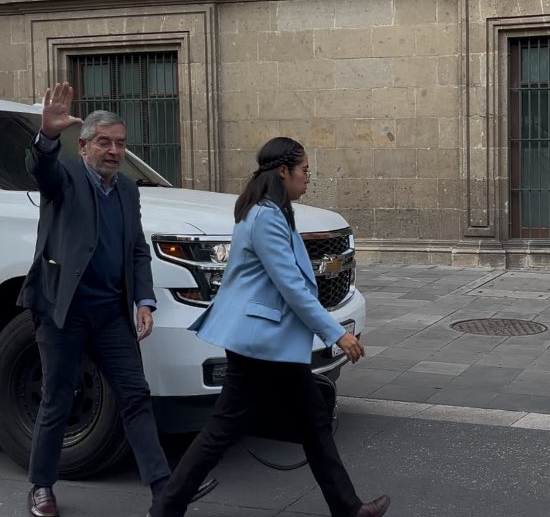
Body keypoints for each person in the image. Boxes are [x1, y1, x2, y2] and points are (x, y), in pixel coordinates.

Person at [148, 137, 390, 517]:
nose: (308, 178)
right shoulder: (265, 216)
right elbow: (291, 285)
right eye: (304, 170)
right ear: (283, 171)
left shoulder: (271, 211)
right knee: (222, 430)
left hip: (272, 339)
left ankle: (347, 507)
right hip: (259, 342)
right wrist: (336, 333)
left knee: (311, 423)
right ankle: (165, 508)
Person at [18, 82, 177, 517]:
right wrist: (48, 137)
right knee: (58, 395)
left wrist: (144, 299)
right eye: (104, 142)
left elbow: (137, 250)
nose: (114, 151)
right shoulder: (65, 176)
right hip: (61, 309)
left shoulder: (127, 190)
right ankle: (41, 486)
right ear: (84, 145)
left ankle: (164, 491)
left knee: (135, 395)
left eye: (121, 143)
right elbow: (41, 169)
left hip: (110, 312)